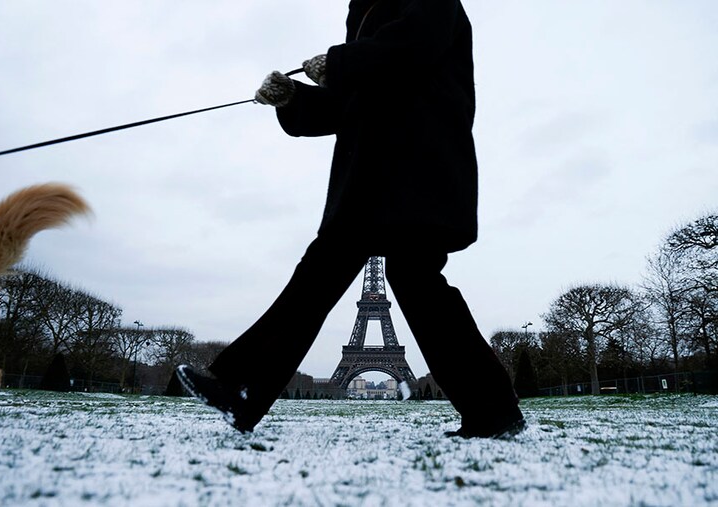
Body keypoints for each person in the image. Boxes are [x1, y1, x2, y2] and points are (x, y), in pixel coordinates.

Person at [177, 0, 525, 439]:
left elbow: (411, 49)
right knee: (380, 279)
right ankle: (493, 410)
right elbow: (350, 103)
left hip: (416, 166)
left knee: (372, 277)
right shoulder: (364, 11)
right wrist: (293, 97)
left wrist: (339, 63)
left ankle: (241, 384)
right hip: (373, 174)